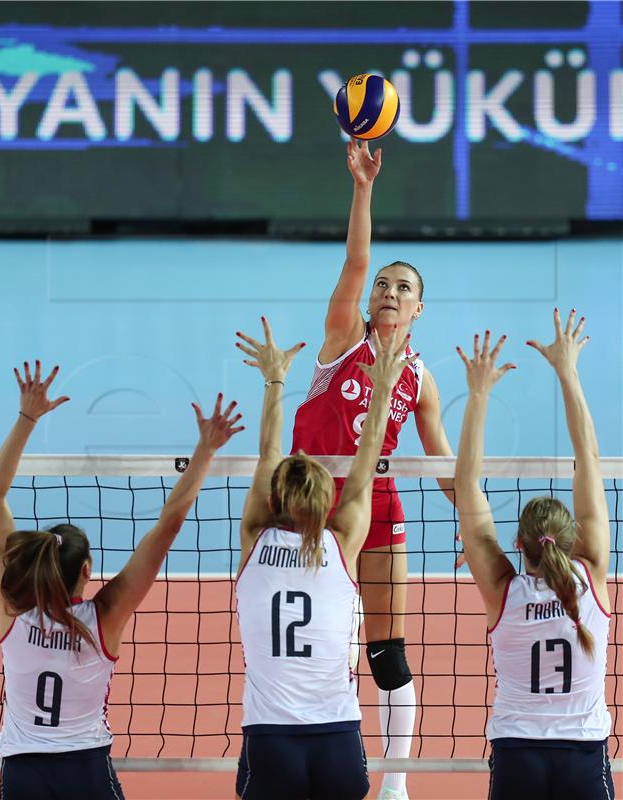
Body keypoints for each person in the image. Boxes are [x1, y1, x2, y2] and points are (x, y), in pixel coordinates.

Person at [0, 360, 243, 800]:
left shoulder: (14, 608)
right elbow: (170, 525)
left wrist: (28, 416)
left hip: (24, 774)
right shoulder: (106, 616)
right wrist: (205, 451)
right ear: (87, 571)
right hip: (85, 771)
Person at [291, 139, 455, 800]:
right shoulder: (341, 341)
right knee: (316, 653)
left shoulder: (419, 376)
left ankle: (394, 785)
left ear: (418, 311)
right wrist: (363, 186)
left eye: (403, 288)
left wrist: (475, 524)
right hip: (309, 506)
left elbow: (442, 461)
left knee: (387, 652)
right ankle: (309, 759)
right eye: (384, 285)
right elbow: (356, 260)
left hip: (378, 506)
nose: (388, 291)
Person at [234, 318, 416, 800]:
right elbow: (366, 458)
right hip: (336, 737)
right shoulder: (342, 545)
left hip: (270, 738)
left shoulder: (255, 543)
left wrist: (275, 380)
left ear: (274, 497)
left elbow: (268, 451)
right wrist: (381, 392)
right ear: (323, 504)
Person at [454, 310, 614, 800]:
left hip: (517, 754)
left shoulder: (502, 591)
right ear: (572, 539)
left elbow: (465, 484)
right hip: (583, 754)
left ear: (517, 545)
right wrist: (568, 371)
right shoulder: (591, 575)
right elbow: (588, 454)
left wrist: (478, 394)